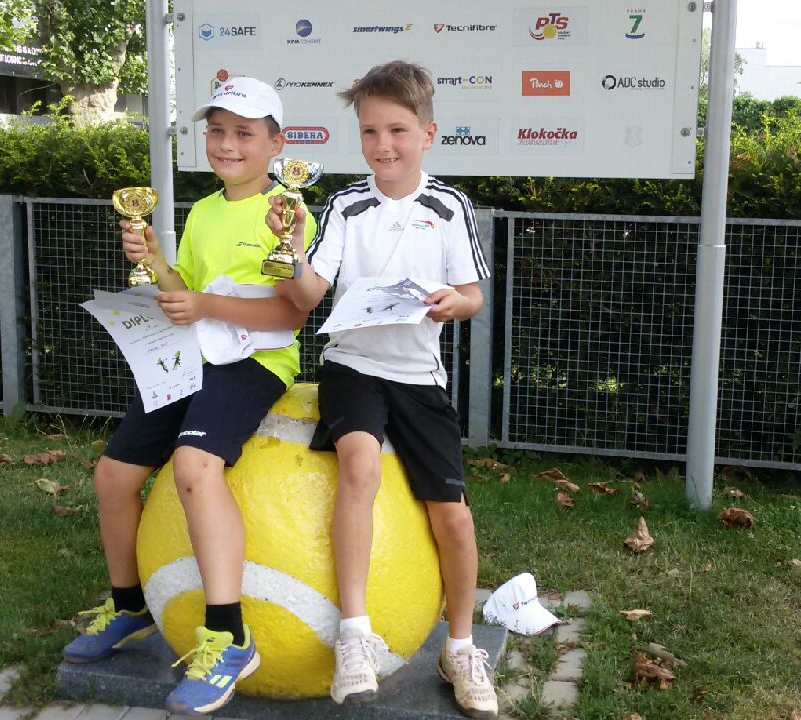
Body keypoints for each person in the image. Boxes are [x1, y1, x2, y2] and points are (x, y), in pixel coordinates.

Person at [62, 76, 317, 717]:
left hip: (258, 361)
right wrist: (154, 259)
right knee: (113, 475)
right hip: (195, 355)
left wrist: (202, 304)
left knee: (195, 466)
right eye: (217, 131)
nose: (226, 144)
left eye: (244, 133)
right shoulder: (203, 211)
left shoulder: (288, 210)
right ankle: (130, 607)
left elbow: (290, 315)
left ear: (276, 143)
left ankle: (229, 636)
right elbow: (186, 297)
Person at [268, 60, 497, 719]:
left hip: (419, 378)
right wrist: (290, 255)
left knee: (452, 516)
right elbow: (309, 295)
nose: (383, 145)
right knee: (359, 464)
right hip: (353, 367)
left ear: (427, 133)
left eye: (397, 130)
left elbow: (474, 296)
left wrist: (454, 301)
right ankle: (355, 636)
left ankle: (460, 648)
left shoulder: (449, 207)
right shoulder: (344, 205)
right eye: (370, 131)